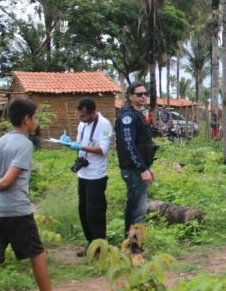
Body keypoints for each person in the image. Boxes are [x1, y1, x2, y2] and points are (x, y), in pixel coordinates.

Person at [0, 98, 61, 291]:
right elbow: (8, 181)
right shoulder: (24, 144)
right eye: (35, 118)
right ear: (26, 119)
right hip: (14, 209)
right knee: (36, 252)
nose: (37, 122)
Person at [62, 98, 113, 257]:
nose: (81, 118)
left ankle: (100, 247)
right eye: (79, 115)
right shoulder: (82, 124)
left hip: (96, 176)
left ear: (92, 112)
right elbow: (79, 142)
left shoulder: (104, 125)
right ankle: (90, 243)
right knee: (83, 211)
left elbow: (102, 149)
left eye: (83, 115)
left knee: (95, 213)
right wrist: (71, 144)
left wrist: (81, 147)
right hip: (83, 174)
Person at [115, 82, 157, 236]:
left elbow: (141, 145)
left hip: (137, 168)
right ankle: (135, 249)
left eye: (145, 94)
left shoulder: (137, 115)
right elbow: (129, 145)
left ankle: (129, 244)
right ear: (130, 96)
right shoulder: (129, 117)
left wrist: (147, 166)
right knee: (138, 211)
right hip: (133, 170)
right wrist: (142, 169)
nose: (143, 97)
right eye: (139, 94)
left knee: (133, 207)